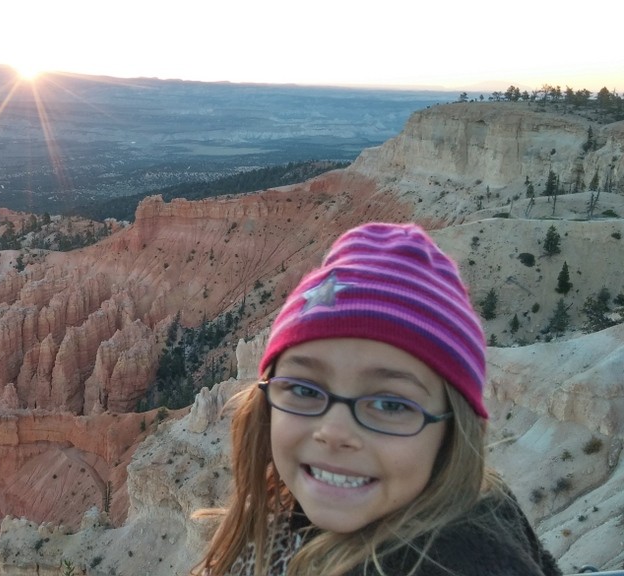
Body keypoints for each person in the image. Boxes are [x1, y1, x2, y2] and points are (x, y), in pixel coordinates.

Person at [195, 222, 561, 576]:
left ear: (453, 430)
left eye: (390, 404)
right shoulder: (289, 525)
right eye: (304, 390)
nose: (334, 431)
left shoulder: (452, 563)